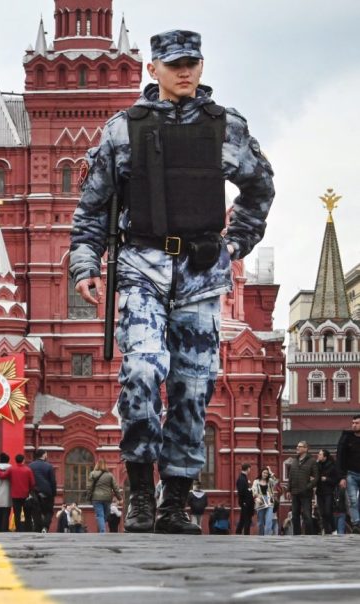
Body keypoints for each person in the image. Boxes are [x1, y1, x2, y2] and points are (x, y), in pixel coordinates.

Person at [69, 30, 275, 536]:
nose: (185, 72)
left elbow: (260, 185)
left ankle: (176, 498)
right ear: (153, 69)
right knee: (141, 370)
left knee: (194, 386)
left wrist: (236, 243)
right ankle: (139, 489)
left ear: (201, 66)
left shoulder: (225, 127)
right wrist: (84, 264)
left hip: (203, 273)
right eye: (174, 64)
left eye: (193, 63)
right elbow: (92, 207)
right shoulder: (123, 130)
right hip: (141, 266)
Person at [0, 454, 37, 532]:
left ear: (15, 460)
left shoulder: (12, 469)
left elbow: (2, 476)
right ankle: (28, 528)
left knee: (17, 513)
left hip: (15, 495)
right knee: (27, 514)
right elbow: (32, 483)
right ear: (23, 460)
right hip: (26, 495)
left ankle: (19, 529)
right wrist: (30, 491)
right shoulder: (28, 470)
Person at [284, 441, 319, 535]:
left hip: (306, 493)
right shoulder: (294, 461)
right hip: (295, 492)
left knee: (307, 515)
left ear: (306, 448)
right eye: (297, 446)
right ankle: (297, 534)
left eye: (300, 446)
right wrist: (288, 490)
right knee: (295, 515)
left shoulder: (312, 461)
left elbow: (316, 477)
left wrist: (308, 487)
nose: (297, 448)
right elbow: (290, 476)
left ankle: (310, 535)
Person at [337, 414, 360, 533]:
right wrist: (341, 477)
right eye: (353, 423)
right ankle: (356, 524)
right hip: (351, 474)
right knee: (352, 500)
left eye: (357, 423)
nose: (354, 425)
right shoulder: (346, 438)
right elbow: (340, 457)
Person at [87, 459, 123, 533]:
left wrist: (89, 497)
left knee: (100, 515)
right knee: (105, 515)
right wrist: (120, 498)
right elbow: (115, 487)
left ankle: (102, 529)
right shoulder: (110, 475)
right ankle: (102, 530)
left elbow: (89, 487)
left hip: (96, 498)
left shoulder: (92, 474)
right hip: (107, 498)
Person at [27, 449, 58, 533]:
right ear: (44, 455)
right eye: (46, 454)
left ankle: (38, 528)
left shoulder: (30, 466)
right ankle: (45, 526)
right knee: (48, 511)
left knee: (36, 511)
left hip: (34, 491)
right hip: (47, 491)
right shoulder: (49, 466)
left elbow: (28, 480)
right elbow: (53, 481)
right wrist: (54, 493)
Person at [316, 449, 340, 535]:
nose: (318, 456)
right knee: (322, 513)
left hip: (328, 492)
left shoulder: (332, 466)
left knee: (328, 511)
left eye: (320, 454)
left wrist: (327, 479)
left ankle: (333, 529)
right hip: (319, 492)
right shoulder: (317, 465)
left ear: (325, 457)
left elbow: (336, 480)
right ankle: (327, 531)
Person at [252, 467, 278, 536]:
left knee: (269, 520)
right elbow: (254, 491)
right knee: (260, 522)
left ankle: (267, 536)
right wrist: (257, 496)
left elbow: (276, 481)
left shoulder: (270, 481)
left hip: (269, 501)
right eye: (264, 472)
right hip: (260, 501)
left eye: (267, 473)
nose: (265, 474)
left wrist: (270, 472)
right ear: (261, 473)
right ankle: (261, 536)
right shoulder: (256, 481)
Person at [236, 463, 254, 535]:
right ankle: (246, 533)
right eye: (250, 468)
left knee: (243, 519)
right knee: (247, 519)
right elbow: (241, 491)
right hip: (246, 502)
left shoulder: (243, 478)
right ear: (248, 469)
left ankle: (238, 532)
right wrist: (243, 501)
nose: (250, 470)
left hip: (246, 502)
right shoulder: (242, 478)